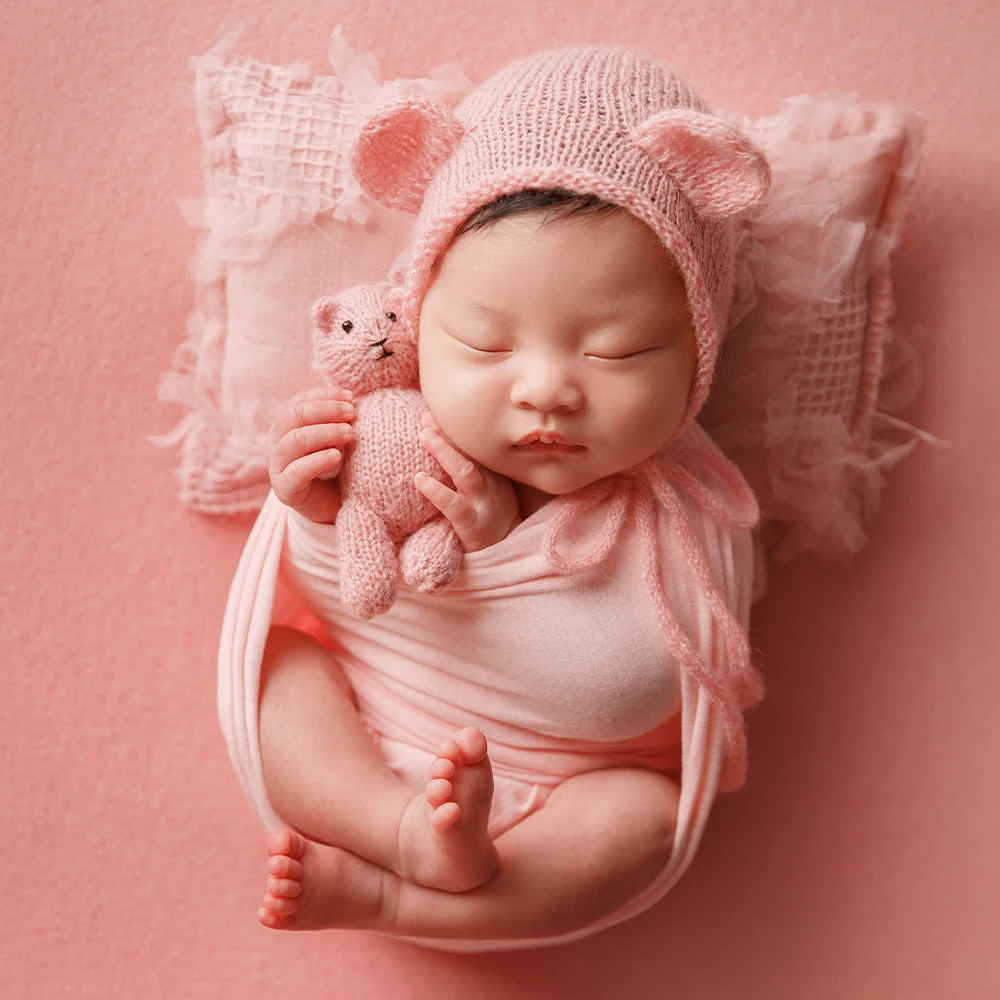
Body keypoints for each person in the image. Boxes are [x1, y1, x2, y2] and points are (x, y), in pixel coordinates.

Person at [218, 43, 771, 949]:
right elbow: (323, 602)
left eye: (617, 352)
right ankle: (393, 828)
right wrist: (315, 508)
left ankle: (395, 897)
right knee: (279, 672)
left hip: (564, 793)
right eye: (484, 343)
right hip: (375, 732)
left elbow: (633, 682)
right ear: (418, 315)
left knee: (642, 819)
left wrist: (494, 545)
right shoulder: (385, 433)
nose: (546, 391)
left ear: (697, 349)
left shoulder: (688, 505)